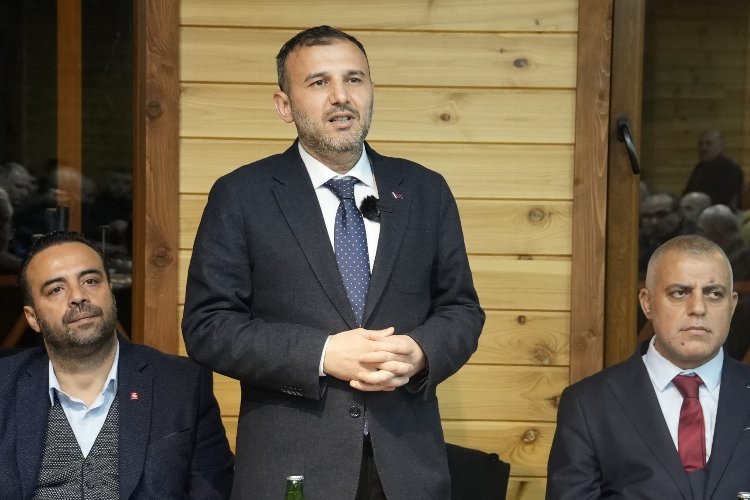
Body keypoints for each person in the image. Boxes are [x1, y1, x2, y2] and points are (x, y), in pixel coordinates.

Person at [182, 25, 484, 500]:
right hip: (292, 469)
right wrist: (321, 354)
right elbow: (208, 326)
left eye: (354, 79)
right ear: (284, 105)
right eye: (319, 82)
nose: (341, 96)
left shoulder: (425, 190)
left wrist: (420, 352)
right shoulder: (242, 195)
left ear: (371, 90)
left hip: (408, 467)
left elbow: (461, 310)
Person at [0, 231, 234, 499]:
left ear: (111, 293)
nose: (78, 296)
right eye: (56, 289)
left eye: (90, 281)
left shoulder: (181, 384)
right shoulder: (4, 387)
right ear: (32, 318)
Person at [546, 235, 750, 499]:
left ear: (732, 305)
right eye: (680, 292)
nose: (698, 308)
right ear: (647, 303)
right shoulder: (589, 404)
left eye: (714, 294)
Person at [683, 130, 744, 210]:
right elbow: (689, 191)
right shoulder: (699, 167)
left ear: (720, 146)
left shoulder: (731, 169)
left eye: (708, 143)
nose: (703, 148)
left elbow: (725, 199)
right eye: (700, 144)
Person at [696, 204, 750, 281]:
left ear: (716, 232)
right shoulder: (721, 251)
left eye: (701, 230)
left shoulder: (742, 257)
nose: (698, 235)